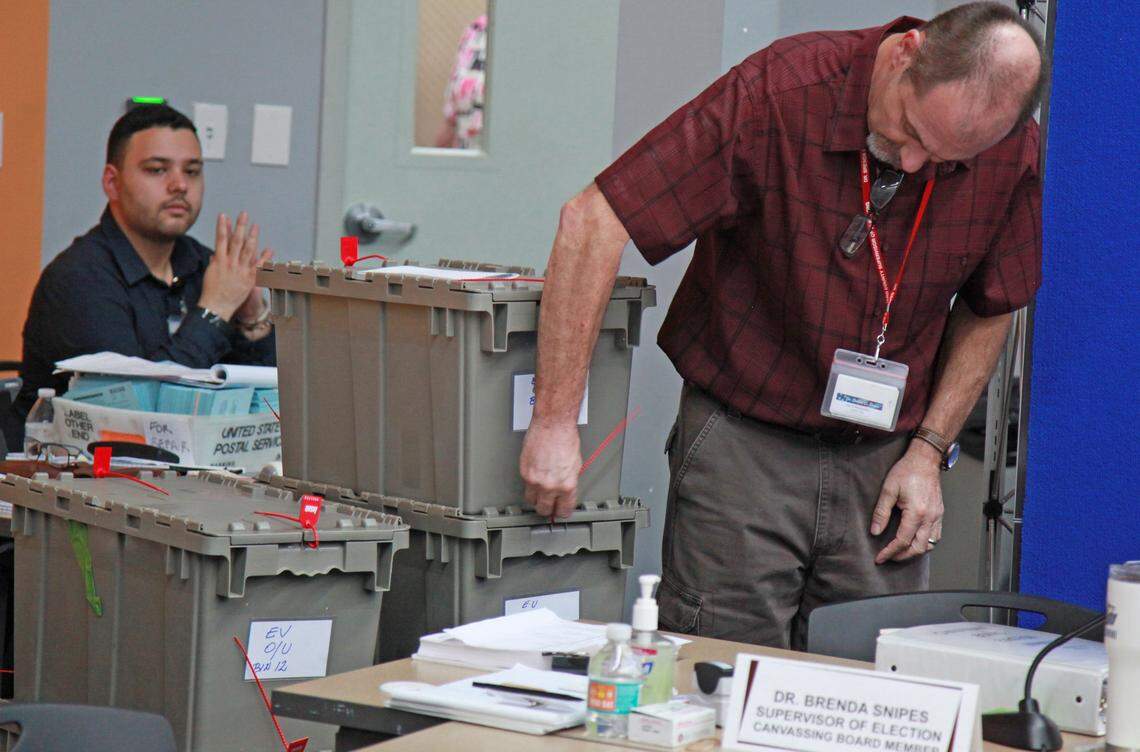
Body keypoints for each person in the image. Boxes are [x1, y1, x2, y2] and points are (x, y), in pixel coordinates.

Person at [520, 3, 1044, 649]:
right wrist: (554, 422)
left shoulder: (1009, 149)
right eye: (908, 129)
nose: (911, 163)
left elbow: (994, 301)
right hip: (746, 451)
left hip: (888, 464)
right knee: (719, 678)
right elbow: (591, 222)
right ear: (906, 52)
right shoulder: (781, 90)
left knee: (868, 699)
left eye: (943, 157)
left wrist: (930, 450)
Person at [13, 104, 275, 435]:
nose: (180, 185)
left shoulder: (207, 266)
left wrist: (253, 321)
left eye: (192, 171)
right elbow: (139, 417)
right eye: (157, 170)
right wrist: (216, 309)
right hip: (84, 471)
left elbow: (268, 407)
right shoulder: (78, 280)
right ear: (112, 182)